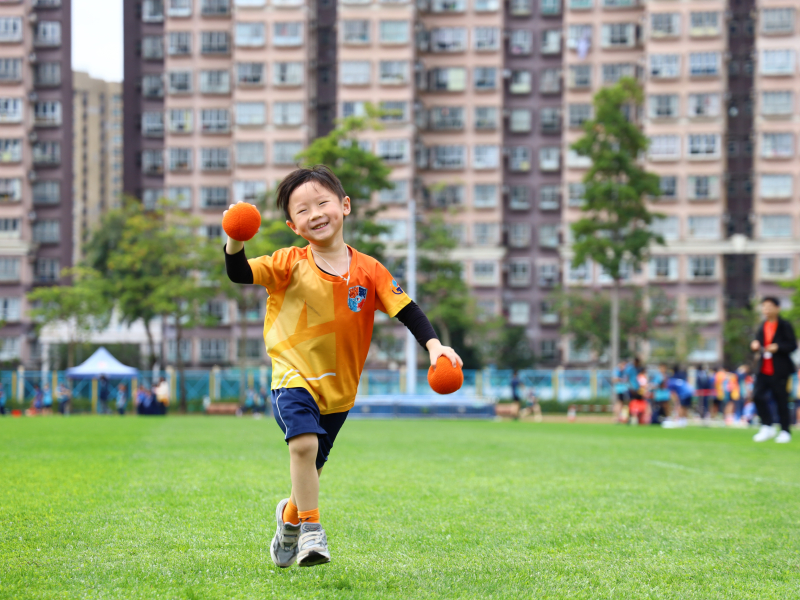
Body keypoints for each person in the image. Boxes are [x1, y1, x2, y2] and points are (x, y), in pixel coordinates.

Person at [224, 165, 462, 568]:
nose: (314, 213)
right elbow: (239, 272)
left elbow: (407, 310)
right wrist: (234, 239)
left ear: (344, 206)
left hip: (340, 393)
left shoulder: (369, 270)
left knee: (310, 469)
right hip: (292, 377)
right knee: (302, 444)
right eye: (302, 210)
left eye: (322, 202)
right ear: (293, 225)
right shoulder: (287, 263)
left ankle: (289, 520)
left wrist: (435, 346)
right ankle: (312, 534)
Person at [750, 296, 797, 443]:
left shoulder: (784, 325)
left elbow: (792, 345)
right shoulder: (762, 326)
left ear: (777, 308)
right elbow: (757, 343)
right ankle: (767, 426)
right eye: (764, 307)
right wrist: (755, 345)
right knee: (757, 396)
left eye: (769, 306)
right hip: (764, 368)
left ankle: (785, 430)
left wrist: (778, 347)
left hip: (780, 370)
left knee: (781, 400)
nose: (766, 310)